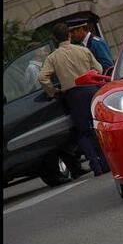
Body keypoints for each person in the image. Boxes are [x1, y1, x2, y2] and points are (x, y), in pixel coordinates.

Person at [38, 23, 110, 176]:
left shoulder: (53, 57)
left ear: (55, 39)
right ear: (69, 35)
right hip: (90, 90)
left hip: (73, 95)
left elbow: (42, 77)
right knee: (97, 126)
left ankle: (95, 164)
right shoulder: (83, 50)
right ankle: (106, 161)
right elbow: (99, 69)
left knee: (83, 131)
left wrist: (53, 91)